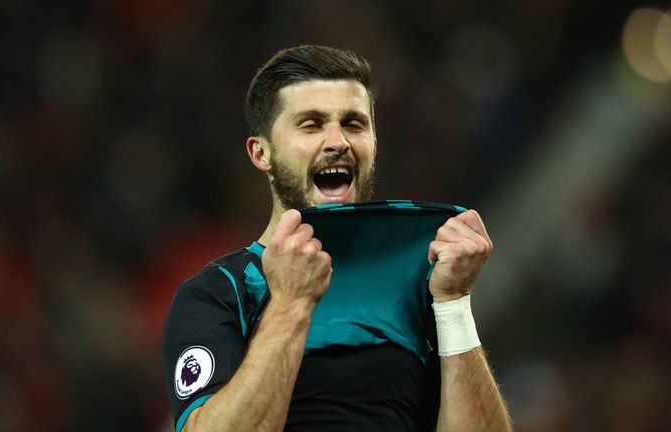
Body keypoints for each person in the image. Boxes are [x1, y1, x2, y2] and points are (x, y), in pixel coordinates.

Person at [163, 45, 512, 431]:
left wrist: (453, 305)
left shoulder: (416, 290)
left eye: (353, 124)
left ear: (374, 146)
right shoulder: (221, 291)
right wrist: (291, 305)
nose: (338, 141)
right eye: (311, 125)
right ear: (261, 153)